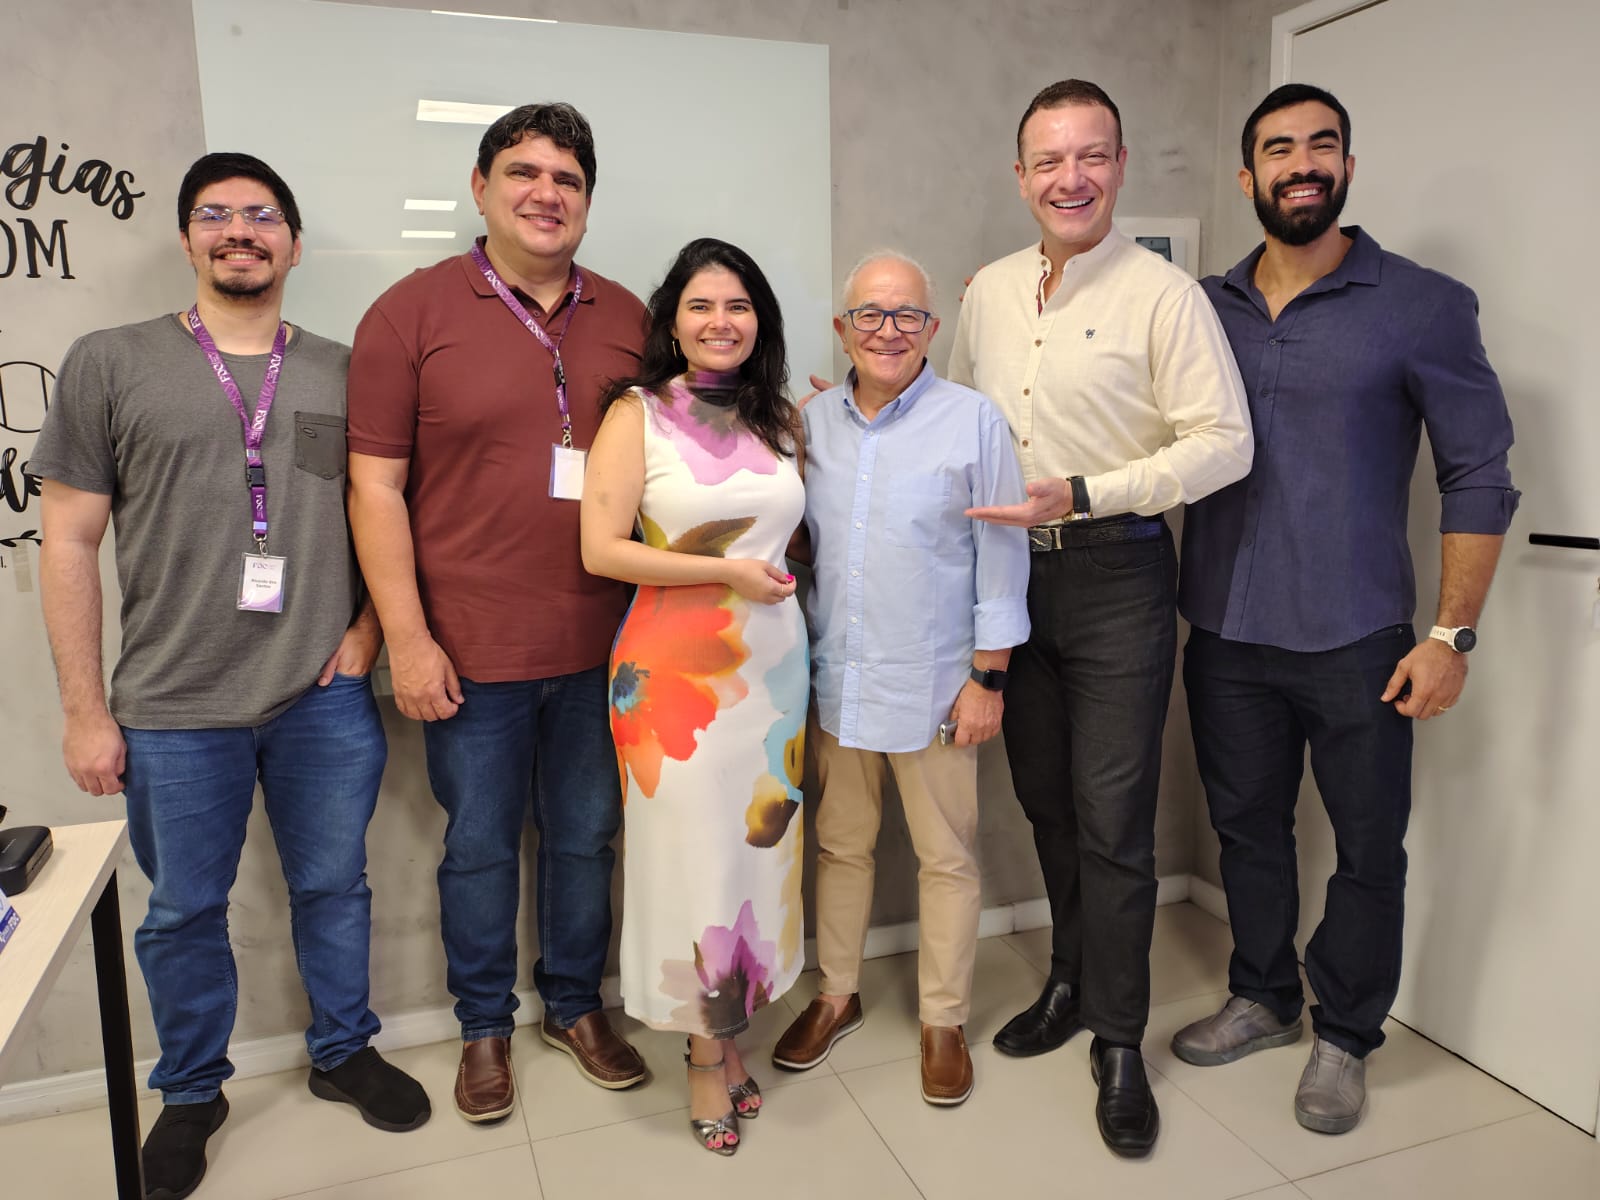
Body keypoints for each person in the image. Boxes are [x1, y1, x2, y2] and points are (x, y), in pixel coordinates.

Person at [33, 151, 429, 1200]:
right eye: (215, 214)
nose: (239, 231)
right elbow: (68, 542)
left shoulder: (348, 371)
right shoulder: (110, 362)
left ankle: (342, 1051)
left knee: (334, 887)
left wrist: (368, 632)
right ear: (187, 239)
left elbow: (389, 511)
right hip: (171, 708)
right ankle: (192, 1092)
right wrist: (84, 711)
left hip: (319, 696)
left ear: (294, 245)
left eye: (261, 215)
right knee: (181, 913)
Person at [1171, 83, 1519, 1135]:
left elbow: (1478, 473)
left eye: (1321, 144)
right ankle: (1263, 995)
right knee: (1246, 830)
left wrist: (1451, 634)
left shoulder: (1423, 305)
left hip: (1358, 636)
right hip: (1224, 628)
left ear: (1347, 168)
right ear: (1249, 176)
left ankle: (1347, 1036)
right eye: (1278, 148)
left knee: (1370, 848)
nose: (1302, 163)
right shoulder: (1198, 307)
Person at [950, 79, 1252, 1156]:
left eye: (1090, 156)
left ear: (1119, 166)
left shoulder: (1166, 297)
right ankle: (1071, 980)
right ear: (1019, 175)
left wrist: (1085, 493)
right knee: (1046, 803)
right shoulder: (987, 292)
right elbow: (959, 425)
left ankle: (1119, 1039)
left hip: (1117, 572)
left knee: (1113, 818)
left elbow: (1224, 444)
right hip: (1008, 581)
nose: (1069, 178)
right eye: (1048, 160)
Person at [346, 103, 648, 1121]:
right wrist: (407, 639)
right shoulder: (409, 313)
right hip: (468, 652)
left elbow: (685, 451)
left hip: (605, 646)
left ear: (588, 201)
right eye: (524, 172)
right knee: (477, 847)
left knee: (586, 836)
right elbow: (374, 488)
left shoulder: (630, 316)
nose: (545, 194)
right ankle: (484, 1025)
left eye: (567, 179)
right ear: (481, 188)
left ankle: (574, 1005)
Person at [770, 252, 1030, 1107]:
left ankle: (943, 1020)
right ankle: (836, 995)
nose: (888, 331)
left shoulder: (974, 422)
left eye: (907, 315)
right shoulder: (812, 423)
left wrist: (989, 679)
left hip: (938, 686)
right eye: (870, 315)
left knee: (945, 858)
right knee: (839, 847)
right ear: (842, 329)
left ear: (932, 328)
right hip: (837, 680)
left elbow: (1002, 557)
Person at [580, 237, 806, 1156]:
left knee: (754, 860)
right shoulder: (635, 413)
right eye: (702, 306)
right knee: (692, 861)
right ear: (673, 323)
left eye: (738, 306)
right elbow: (602, 549)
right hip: (674, 676)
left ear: (760, 322)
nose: (721, 322)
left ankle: (729, 1025)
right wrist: (725, 573)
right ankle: (705, 1052)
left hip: (775, 672)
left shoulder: (778, 416)